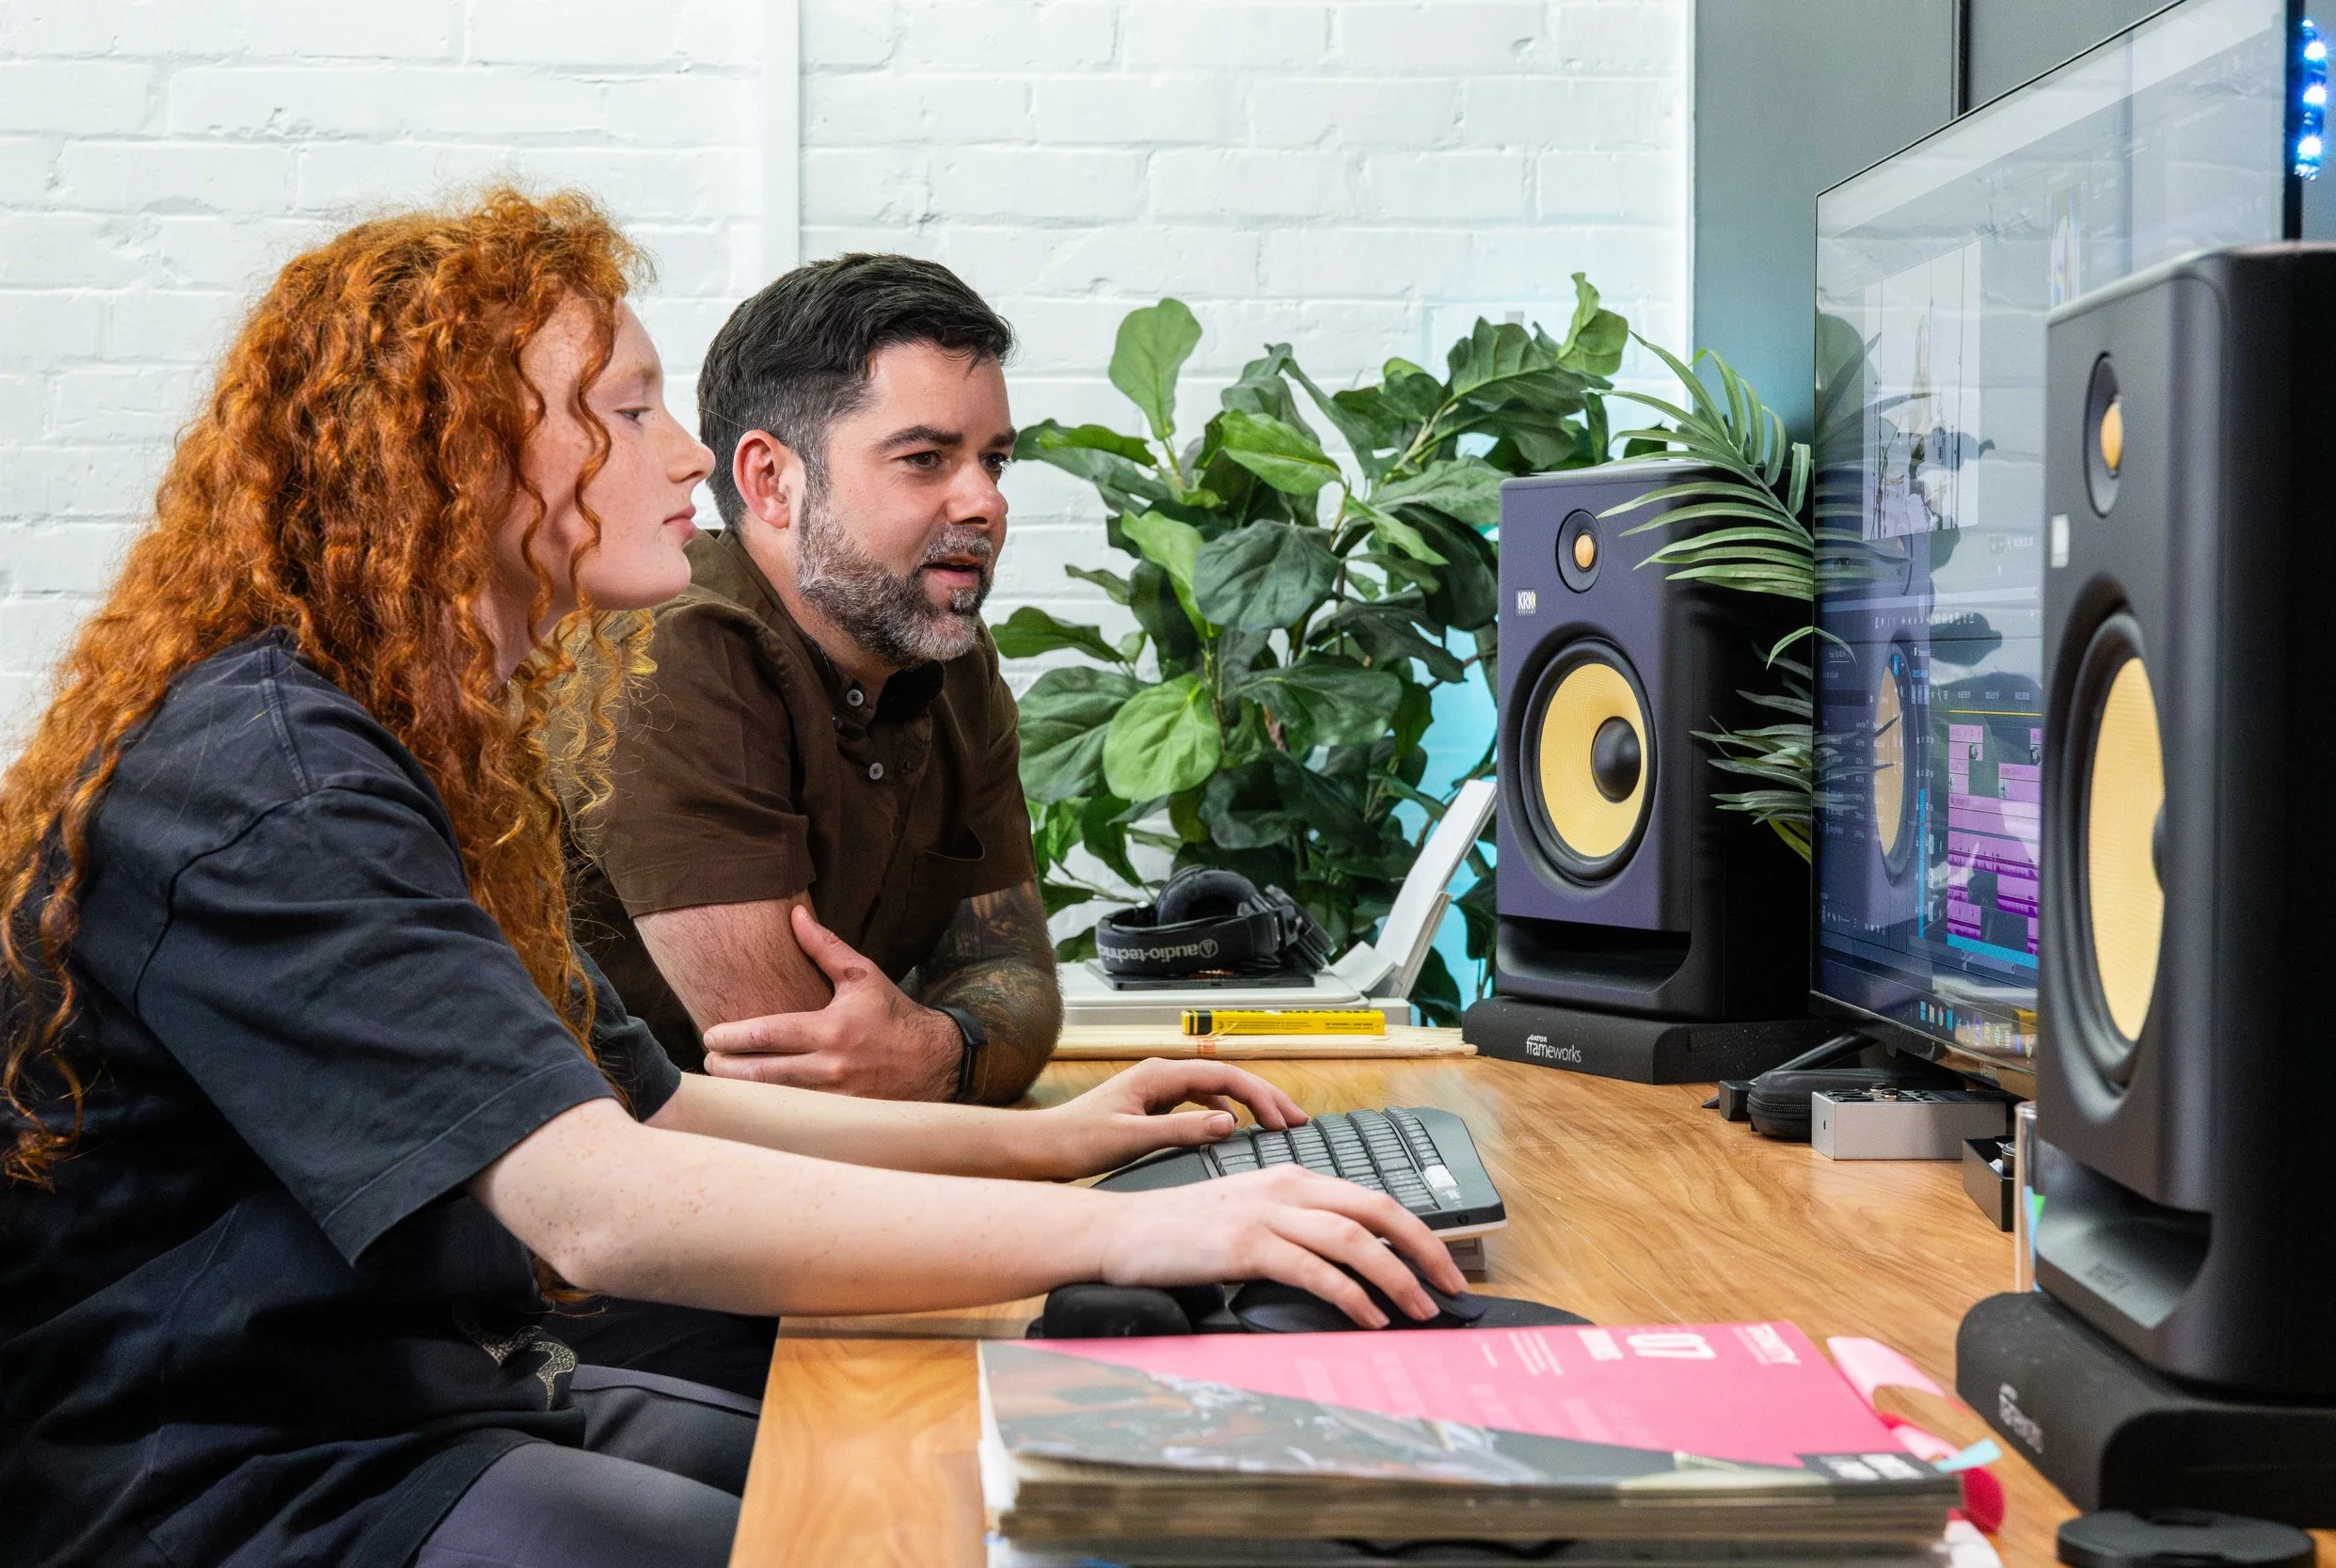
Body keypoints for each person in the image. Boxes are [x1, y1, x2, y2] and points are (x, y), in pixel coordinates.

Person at [0, 190, 1466, 1568]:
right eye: (630, 412)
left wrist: (1064, 1142)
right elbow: (600, 1202)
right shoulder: (277, 776)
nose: (693, 452)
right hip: (239, 1473)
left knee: (972, 1467)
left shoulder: (416, 743)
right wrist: (1148, 1225)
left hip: (441, 1390)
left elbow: (666, 1100)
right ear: (458, 458)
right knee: (913, 1532)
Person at [564, 255, 1057, 1105]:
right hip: (630, 1202)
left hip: (815, 1190)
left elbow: (1016, 972)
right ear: (770, 481)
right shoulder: (678, 649)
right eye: (925, 459)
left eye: (994, 461)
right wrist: (964, 1053)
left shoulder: (953, 660)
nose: (985, 502)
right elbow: (801, 1076)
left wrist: (939, 1048)